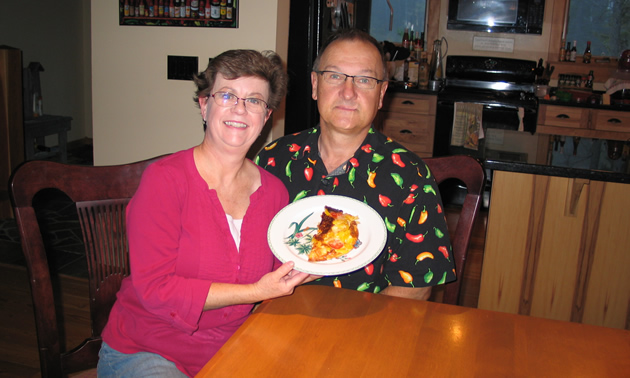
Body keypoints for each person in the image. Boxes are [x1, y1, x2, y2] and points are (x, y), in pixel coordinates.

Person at [98, 49, 314, 377]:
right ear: (204, 104)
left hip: (235, 347)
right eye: (227, 95)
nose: (240, 109)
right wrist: (257, 292)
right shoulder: (165, 180)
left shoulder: (275, 193)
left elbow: (276, 275)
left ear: (266, 116)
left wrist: (312, 263)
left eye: (254, 100)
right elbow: (156, 290)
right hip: (149, 348)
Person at [256, 29, 455, 301]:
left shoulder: (410, 176)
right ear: (315, 85)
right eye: (335, 76)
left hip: (364, 328)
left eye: (364, 80)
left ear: (382, 93)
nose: (348, 92)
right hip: (274, 319)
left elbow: (415, 286)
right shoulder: (271, 160)